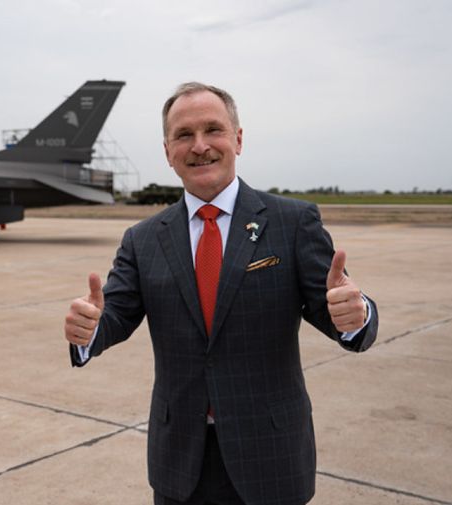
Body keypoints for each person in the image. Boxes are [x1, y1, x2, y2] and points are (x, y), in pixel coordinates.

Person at [63, 82, 378, 505]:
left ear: (238, 139)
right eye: (183, 135)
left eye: (213, 130)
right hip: (180, 460)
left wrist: (356, 317)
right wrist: (89, 330)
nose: (200, 146)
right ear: (167, 150)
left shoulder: (292, 222)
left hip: (271, 454)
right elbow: (114, 315)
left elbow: (337, 310)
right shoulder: (142, 239)